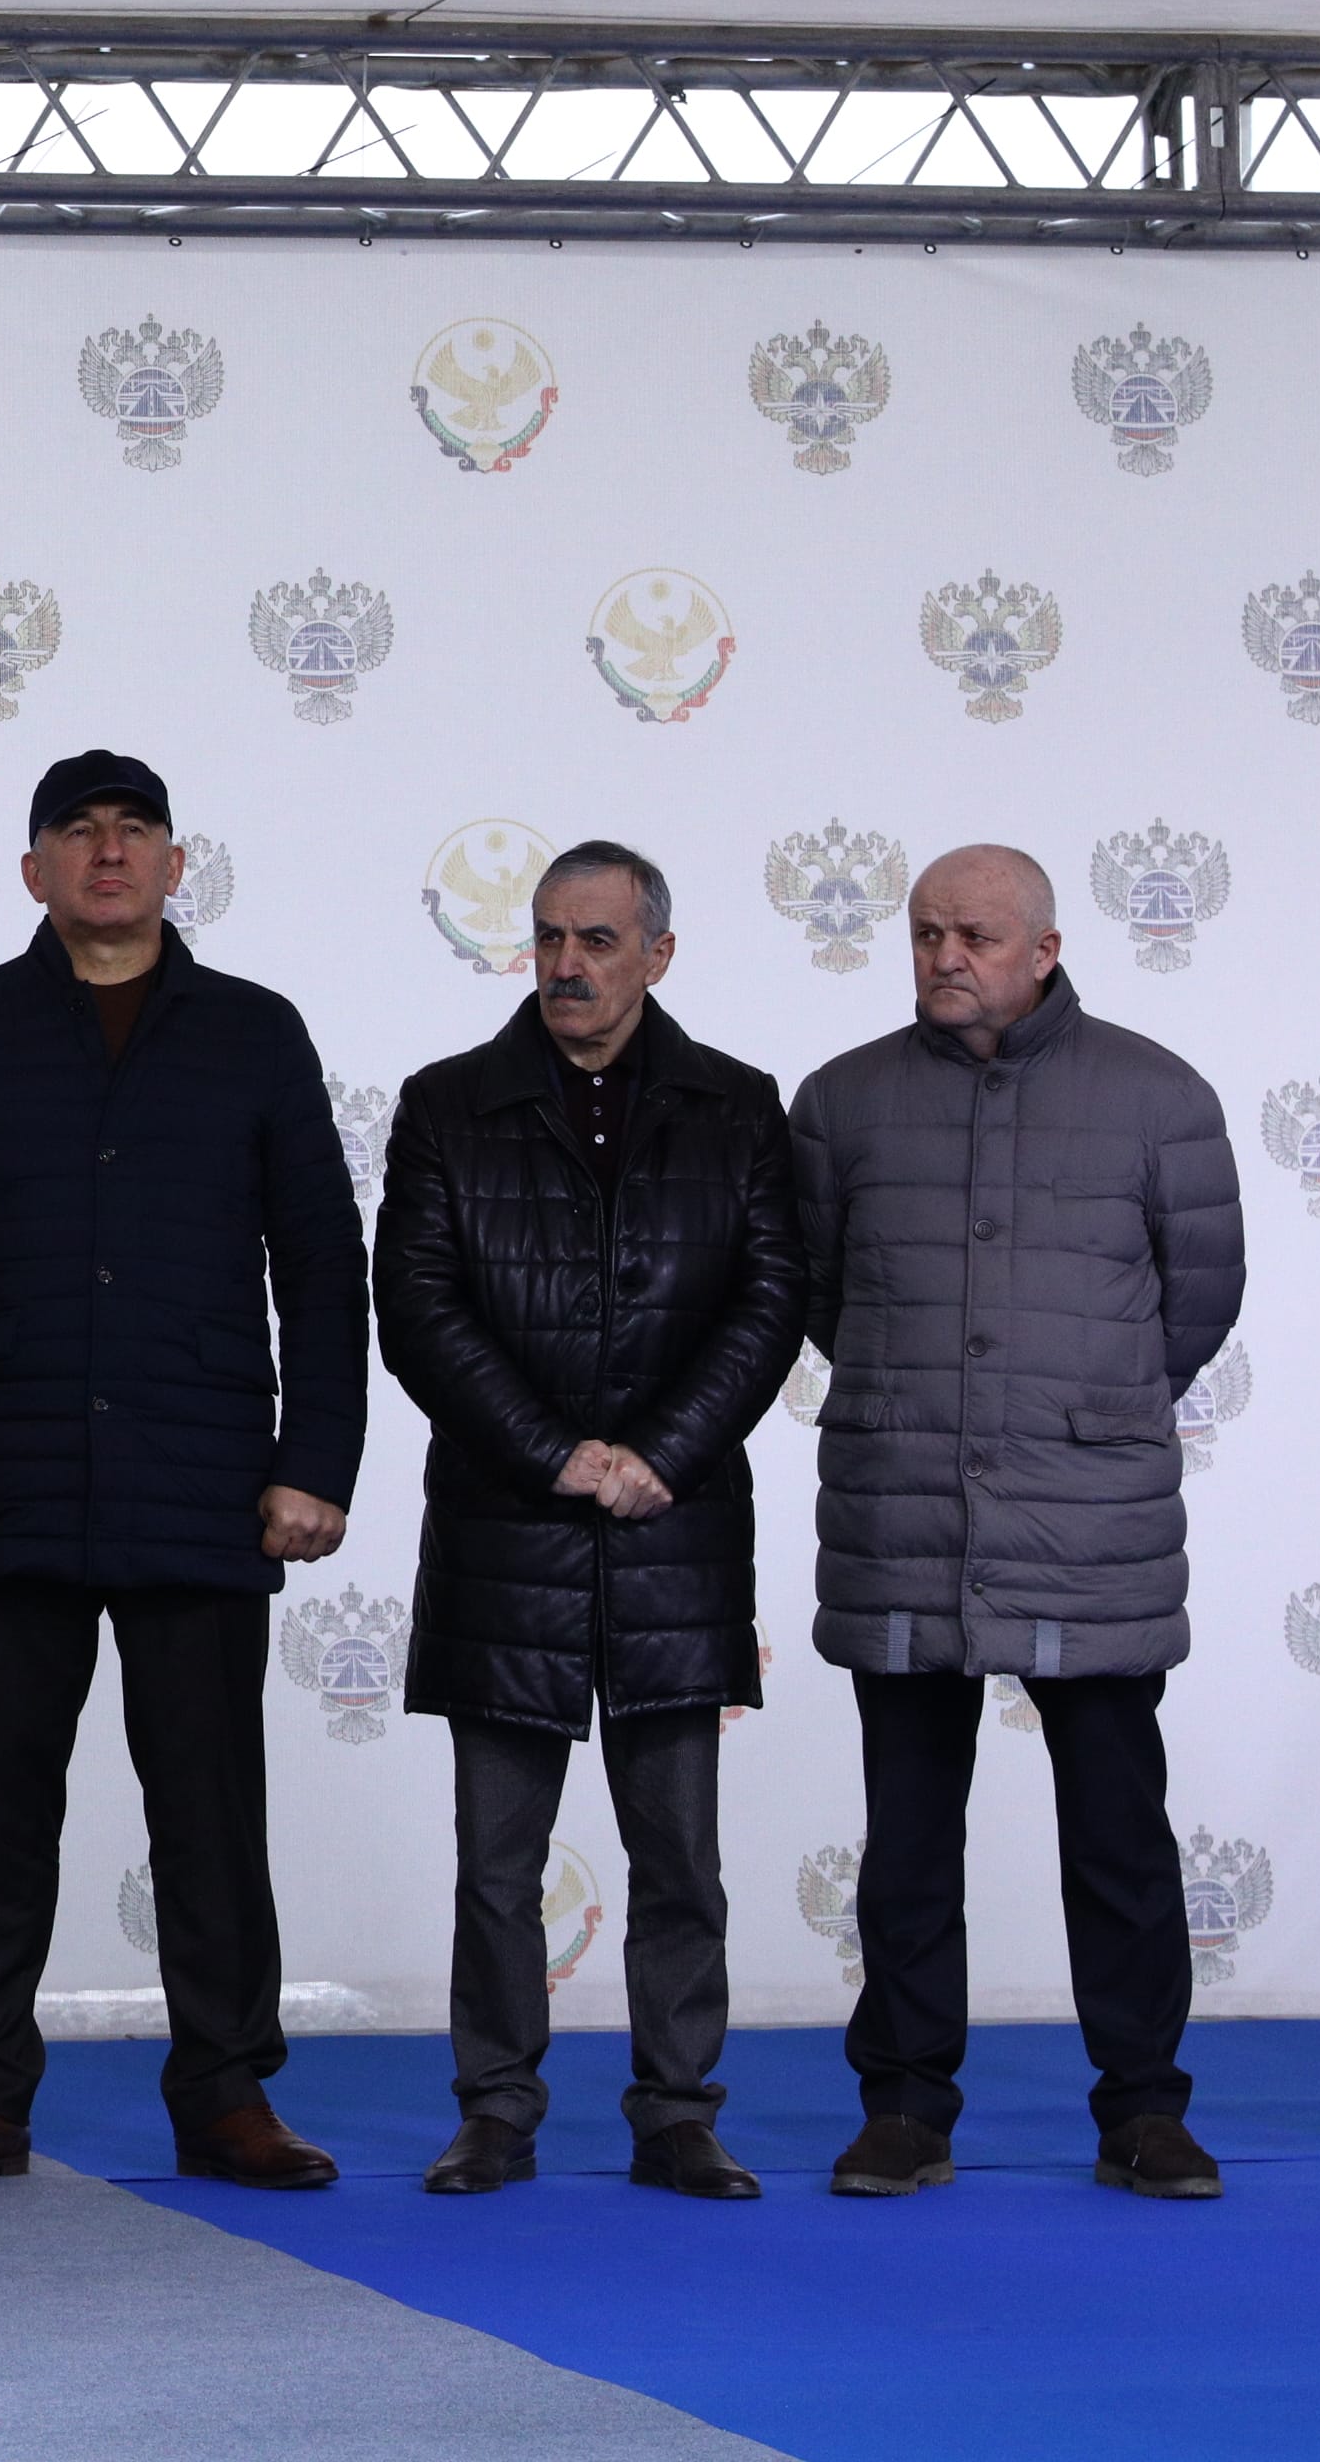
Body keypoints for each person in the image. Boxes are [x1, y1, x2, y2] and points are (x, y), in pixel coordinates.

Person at [0, 750, 367, 2197]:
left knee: (211, 1817)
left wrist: (315, 1461)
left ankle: (229, 2097)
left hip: (203, 1483)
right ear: (35, 870)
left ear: (177, 865)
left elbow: (324, 1266)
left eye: (137, 831)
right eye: (78, 831)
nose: (110, 852)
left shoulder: (254, 1033)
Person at [788, 843, 1242, 2202]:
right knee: (908, 1844)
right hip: (903, 1513)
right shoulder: (843, 1101)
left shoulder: (1159, 1097)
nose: (945, 957)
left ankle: (1144, 2110)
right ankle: (905, 2109)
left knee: (1118, 1837)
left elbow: (1197, 1303)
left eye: (976, 936)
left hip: (1090, 1524)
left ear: (1044, 949)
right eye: (927, 933)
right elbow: (822, 1293)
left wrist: (1079, 1408)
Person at [375, 842, 798, 2200]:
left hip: (675, 1530)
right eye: (550, 937)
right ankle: (495, 2112)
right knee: (497, 1867)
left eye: (598, 940)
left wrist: (659, 1456)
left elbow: (771, 1303)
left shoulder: (740, 1106)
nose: (567, 964)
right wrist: (555, 1456)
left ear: (658, 955)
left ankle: (678, 2115)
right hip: (509, 1534)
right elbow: (418, 1312)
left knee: (679, 1861)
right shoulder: (447, 1105)